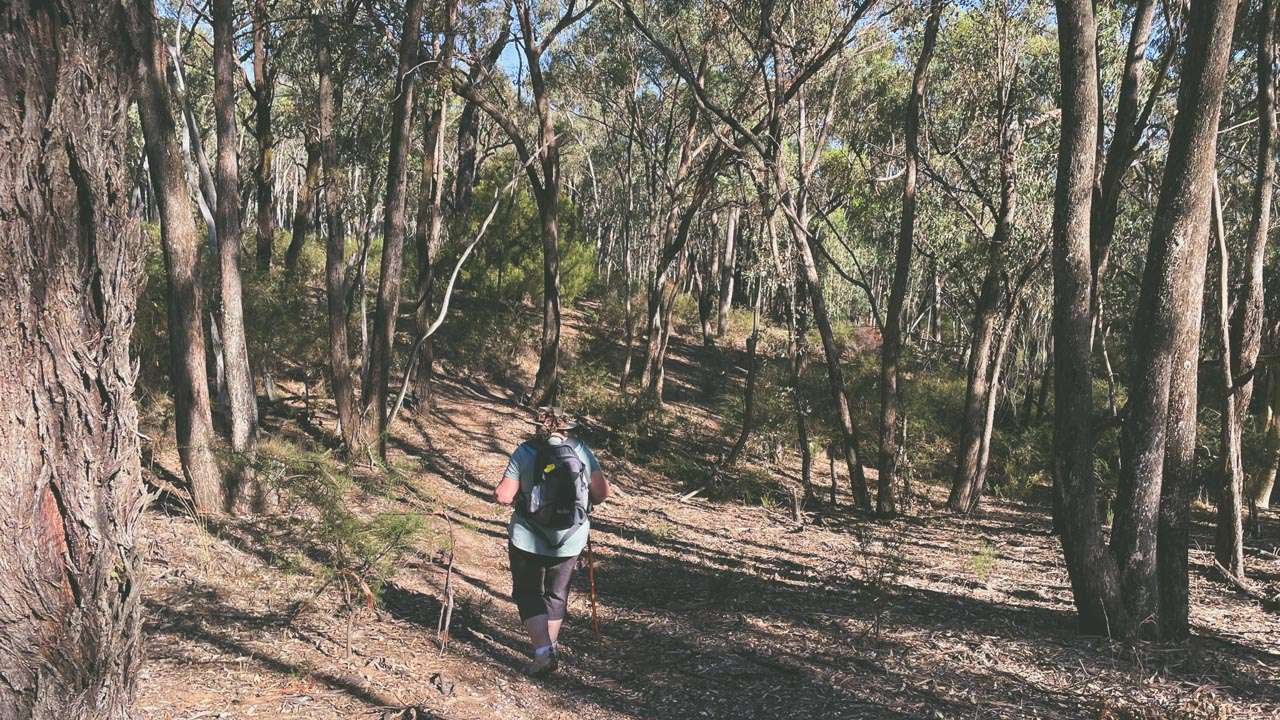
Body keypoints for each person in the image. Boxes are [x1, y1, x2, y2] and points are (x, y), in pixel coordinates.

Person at [494, 406, 610, 676]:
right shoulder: (581, 450)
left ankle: (543, 652)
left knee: (527, 592)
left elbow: (504, 496)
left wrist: (500, 493)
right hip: (570, 538)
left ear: (538, 426)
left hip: (528, 537)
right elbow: (602, 493)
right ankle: (550, 647)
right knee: (556, 593)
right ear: (567, 427)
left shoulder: (525, 451)